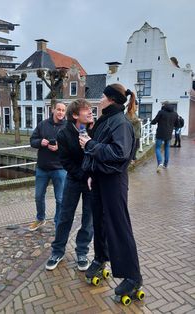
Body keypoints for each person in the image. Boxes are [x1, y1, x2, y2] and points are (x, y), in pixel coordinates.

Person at [79, 84, 143, 299]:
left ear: (112, 100)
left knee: (118, 225)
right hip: (98, 179)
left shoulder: (121, 123)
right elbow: (97, 150)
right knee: (99, 221)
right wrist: (90, 173)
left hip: (113, 182)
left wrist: (89, 144)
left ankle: (133, 277)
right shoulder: (105, 120)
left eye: (103, 97)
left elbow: (119, 153)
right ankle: (100, 258)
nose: (100, 100)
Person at [45, 99, 93, 271]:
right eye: (86, 110)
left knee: (89, 218)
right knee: (65, 216)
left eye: (90, 109)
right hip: (74, 179)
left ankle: (82, 251)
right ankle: (57, 251)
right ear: (74, 115)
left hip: (92, 182)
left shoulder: (94, 129)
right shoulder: (64, 134)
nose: (90, 112)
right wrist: (82, 175)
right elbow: (65, 161)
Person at [29, 102, 67, 231]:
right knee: (38, 196)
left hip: (60, 169)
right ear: (53, 110)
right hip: (42, 168)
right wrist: (40, 142)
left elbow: (72, 147)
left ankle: (58, 223)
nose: (61, 112)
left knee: (60, 199)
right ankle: (40, 219)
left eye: (63, 110)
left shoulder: (68, 127)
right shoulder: (42, 125)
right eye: (58, 109)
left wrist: (59, 147)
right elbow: (32, 141)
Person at [151, 101, 178, 172]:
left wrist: (152, 122)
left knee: (157, 148)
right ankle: (165, 165)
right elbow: (177, 124)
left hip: (160, 133)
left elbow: (154, 121)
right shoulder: (175, 114)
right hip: (169, 134)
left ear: (164, 105)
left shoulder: (161, 112)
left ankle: (160, 162)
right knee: (167, 148)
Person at [125, 100, 141, 164]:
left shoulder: (134, 113)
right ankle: (130, 159)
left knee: (137, 146)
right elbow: (127, 122)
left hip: (137, 134)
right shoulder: (128, 113)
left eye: (137, 107)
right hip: (132, 134)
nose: (137, 108)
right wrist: (137, 120)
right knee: (132, 147)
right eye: (136, 107)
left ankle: (134, 158)